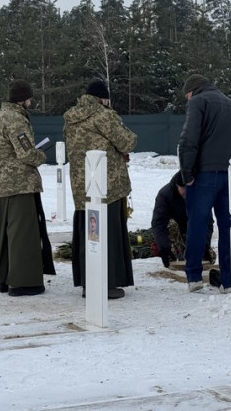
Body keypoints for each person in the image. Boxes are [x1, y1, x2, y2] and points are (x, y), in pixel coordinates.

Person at [177, 73, 231, 294]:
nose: (187, 100)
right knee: (229, 228)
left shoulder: (197, 102)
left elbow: (188, 139)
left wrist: (187, 174)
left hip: (204, 174)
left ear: (192, 91)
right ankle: (229, 280)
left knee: (197, 225)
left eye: (186, 96)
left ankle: (194, 276)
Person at [64, 79, 137, 300]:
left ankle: (89, 282)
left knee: (89, 234)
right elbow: (128, 141)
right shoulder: (104, 115)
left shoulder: (71, 117)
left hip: (82, 185)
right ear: (102, 98)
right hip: (108, 185)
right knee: (108, 235)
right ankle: (107, 283)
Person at [0, 79, 55, 296]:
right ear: (24, 99)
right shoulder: (16, 119)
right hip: (20, 184)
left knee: (5, 236)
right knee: (23, 236)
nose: (31, 101)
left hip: (2, 184)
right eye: (29, 98)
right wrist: (41, 155)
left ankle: (3, 280)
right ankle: (24, 282)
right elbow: (26, 153)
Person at [151, 172, 214, 268]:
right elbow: (158, 223)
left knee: (212, 257)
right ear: (177, 186)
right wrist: (163, 246)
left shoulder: (200, 193)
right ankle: (175, 254)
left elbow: (208, 222)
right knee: (171, 224)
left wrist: (205, 244)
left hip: (192, 233)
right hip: (175, 235)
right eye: (184, 189)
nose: (187, 192)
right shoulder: (165, 195)